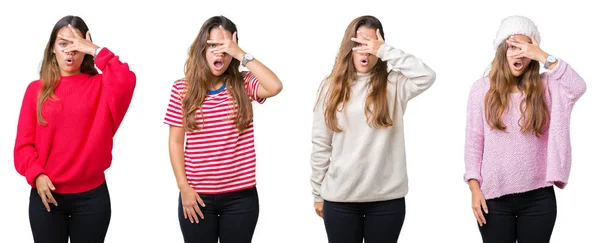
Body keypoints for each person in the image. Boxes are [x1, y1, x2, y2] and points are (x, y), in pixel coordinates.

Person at [310, 15, 436, 243]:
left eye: (371, 45)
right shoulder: (330, 87)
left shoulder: (394, 84)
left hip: (386, 200)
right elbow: (321, 144)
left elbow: (427, 76)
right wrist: (317, 192)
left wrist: (386, 50)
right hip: (340, 199)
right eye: (358, 44)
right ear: (350, 47)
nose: (364, 51)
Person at [464, 15, 587, 243]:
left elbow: (577, 86)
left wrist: (542, 55)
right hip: (494, 198)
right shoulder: (480, 90)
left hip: (538, 198)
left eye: (525, 48)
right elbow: (474, 141)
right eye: (512, 46)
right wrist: (474, 189)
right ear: (501, 50)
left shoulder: (546, 86)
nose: (518, 53)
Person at [14, 15, 136, 243]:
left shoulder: (101, 87)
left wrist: (96, 50)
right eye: (63, 44)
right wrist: (36, 174)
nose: (70, 51)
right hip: (46, 196)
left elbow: (126, 79)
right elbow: (23, 146)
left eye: (76, 45)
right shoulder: (36, 90)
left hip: (92, 199)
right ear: (52, 48)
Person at [163, 15, 283, 243]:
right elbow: (175, 142)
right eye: (213, 46)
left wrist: (241, 54)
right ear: (201, 49)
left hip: (241, 198)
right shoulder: (182, 88)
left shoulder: (244, 84)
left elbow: (275, 86)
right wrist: (184, 188)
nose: (219, 53)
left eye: (226, 47)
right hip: (197, 197)